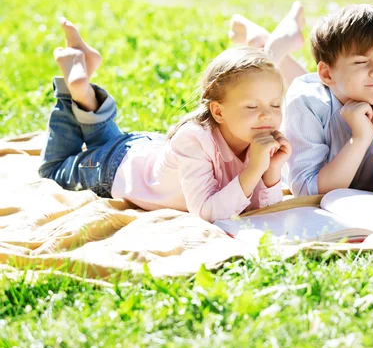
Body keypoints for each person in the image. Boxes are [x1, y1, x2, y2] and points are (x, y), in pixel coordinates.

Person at [38, 12, 300, 222]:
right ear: (218, 111)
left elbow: (263, 210)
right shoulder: (195, 140)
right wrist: (255, 168)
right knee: (52, 170)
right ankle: (70, 90)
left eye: (276, 105)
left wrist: (272, 170)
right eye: (252, 107)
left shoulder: (254, 138)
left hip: (143, 151)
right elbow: (208, 212)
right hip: (115, 170)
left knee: (104, 142)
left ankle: (84, 85)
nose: (267, 114)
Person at [281, 4, 373, 197]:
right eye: (361, 62)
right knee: (268, 71)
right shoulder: (305, 102)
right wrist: (359, 138)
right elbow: (307, 191)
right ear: (326, 73)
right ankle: (274, 47)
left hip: (336, 85)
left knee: (333, 88)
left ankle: (270, 42)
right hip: (323, 90)